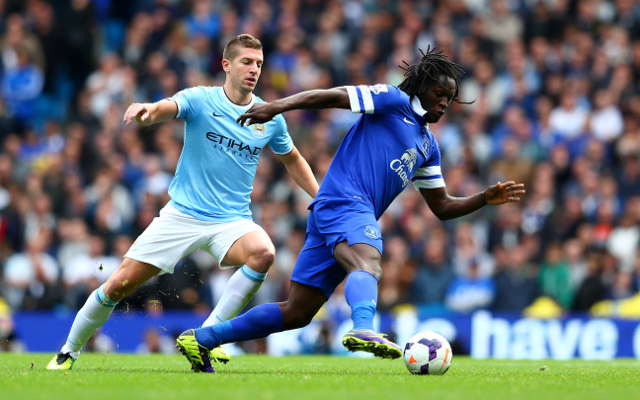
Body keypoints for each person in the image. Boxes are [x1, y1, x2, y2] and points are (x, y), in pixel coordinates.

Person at [174, 47, 526, 373]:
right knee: (368, 261)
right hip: (344, 201)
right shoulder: (393, 100)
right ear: (423, 87)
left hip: (339, 212)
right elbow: (333, 96)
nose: (445, 103)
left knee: (297, 311)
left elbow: (443, 206)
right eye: (440, 94)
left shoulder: (428, 146)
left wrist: (483, 198)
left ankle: (202, 339)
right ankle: (362, 329)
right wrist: (277, 106)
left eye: (450, 98)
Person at [46, 34, 319, 371]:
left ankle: (205, 336)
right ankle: (68, 351)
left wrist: (319, 197)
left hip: (231, 220)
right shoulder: (202, 99)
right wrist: (148, 110)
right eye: (247, 62)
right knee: (117, 284)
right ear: (226, 65)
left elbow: (292, 158)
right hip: (182, 215)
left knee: (263, 252)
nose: (254, 70)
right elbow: (168, 108)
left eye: (259, 64)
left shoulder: (270, 117)